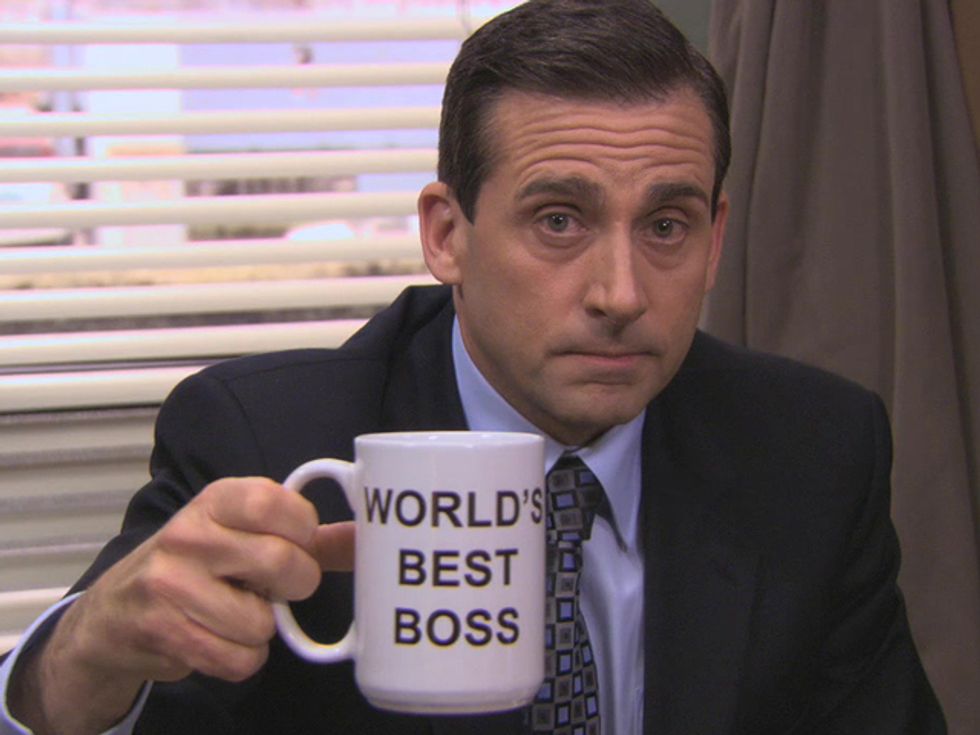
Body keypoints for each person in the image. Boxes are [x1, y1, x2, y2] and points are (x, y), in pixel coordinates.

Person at [1, 1, 946, 733]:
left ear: (716, 238)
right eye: (559, 220)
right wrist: (83, 654)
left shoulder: (813, 450)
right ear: (447, 235)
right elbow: (89, 698)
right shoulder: (269, 444)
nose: (620, 292)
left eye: (666, 226)